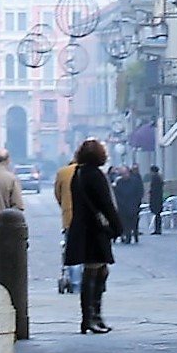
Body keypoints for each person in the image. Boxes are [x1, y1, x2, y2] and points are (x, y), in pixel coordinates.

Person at [64, 138, 123, 333]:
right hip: (95, 229)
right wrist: (117, 226)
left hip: (83, 227)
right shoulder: (95, 175)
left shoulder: (78, 174)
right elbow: (106, 204)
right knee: (95, 271)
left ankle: (94, 316)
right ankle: (90, 317)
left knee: (98, 270)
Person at [54, 154, 82, 295]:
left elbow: (58, 194)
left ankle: (75, 283)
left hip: (69, 217)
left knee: (72, 250)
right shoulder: (92, 172)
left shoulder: (63, 173)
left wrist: (65, 206)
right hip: (89, 218)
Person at [112, 165, 145, 245]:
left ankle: (135, 235)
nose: (124, 175)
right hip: (123, 206)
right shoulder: (119, 182)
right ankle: (128, 236)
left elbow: (139, 192)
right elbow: (116, 194)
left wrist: (137, 202)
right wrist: (120, 203)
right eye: (122, 174)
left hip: (133, 205)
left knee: (134, 222)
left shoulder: (135, 181)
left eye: (125, 173)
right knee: (125, 223)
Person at [147, 165, 165, 235]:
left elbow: (154, 189)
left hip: (156, 199)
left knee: (157, 214)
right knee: (158, 214)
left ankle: (157, 229)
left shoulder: (155, 178)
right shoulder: (158, 178)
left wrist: (151, 192)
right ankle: (157, 229)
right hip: (158, 198)